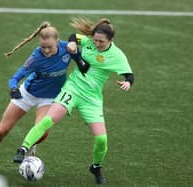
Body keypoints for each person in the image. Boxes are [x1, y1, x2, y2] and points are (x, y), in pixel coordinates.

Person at [13, 17, 134, 184]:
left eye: (101, 42)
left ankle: (96, 166)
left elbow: (129, 75)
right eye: (95, 40)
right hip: (73, 88)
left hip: (92, 98)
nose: (96, 44)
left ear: (111, 40)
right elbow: (73, 36)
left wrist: (127, 82)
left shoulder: (117, 55)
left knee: (101, 139)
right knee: (49, 119)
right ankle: (23, 148)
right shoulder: (89, 41)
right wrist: (71, 44)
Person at [0, 21, 78, 170]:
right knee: (2, 130)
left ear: (58, 42)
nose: (46, 50)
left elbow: (85, 47)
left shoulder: (67, 49)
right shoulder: (36, 57)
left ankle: (31, 146)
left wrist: (74, 42)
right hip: (28, 94)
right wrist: (13, 88)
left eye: (49, 47)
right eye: (43, 47)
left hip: (50, 97)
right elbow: (14, 78)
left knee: (42, 130)